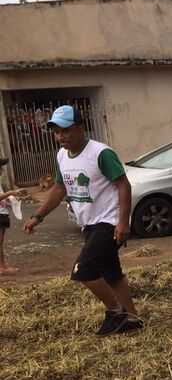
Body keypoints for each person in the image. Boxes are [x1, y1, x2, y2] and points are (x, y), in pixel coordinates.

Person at [23, 106, 143, 337]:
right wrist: (38, 216)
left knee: (84, 270)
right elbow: (59, 189)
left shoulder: (101, 153)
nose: (60, 137)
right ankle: (133, 319)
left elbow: (123, 185)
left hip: (108, 222)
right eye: (56, 132)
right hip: (87, 223)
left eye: (66, 131)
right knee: (112, 274)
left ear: (80, 128)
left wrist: (123, 222)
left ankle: (115, 312)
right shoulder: (61, 156)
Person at [0, 158, 22, 276]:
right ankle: (2, 268)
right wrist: (10, 193)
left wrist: (12, 203)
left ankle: (3, 266)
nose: (2, 170)